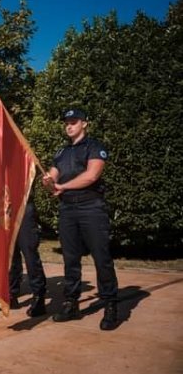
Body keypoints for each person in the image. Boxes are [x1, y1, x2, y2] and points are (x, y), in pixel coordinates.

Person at [43, 108, 119, 331]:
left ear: (84, 124)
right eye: (67, 122)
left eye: (74, 121)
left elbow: (92, 175)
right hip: (67, 209)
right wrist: (47, 181)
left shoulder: (95, 147)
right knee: (70, 259)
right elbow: (52, 178)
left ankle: (111, 305)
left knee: (101, 257)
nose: (69, 125)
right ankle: (71, 304)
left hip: (91, 207)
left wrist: (61, 186)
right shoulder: (61, 152)